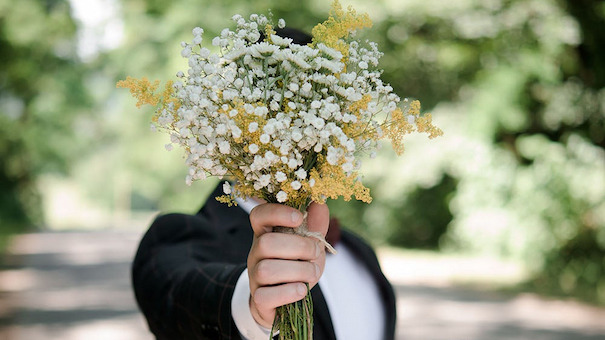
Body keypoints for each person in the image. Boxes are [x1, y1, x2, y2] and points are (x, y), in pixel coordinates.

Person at [131, 29, 397, 340]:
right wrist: (252, 306)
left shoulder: (357, 250)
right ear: (234, 121)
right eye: (289, 110)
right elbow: (183, 294)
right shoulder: (176, 239)